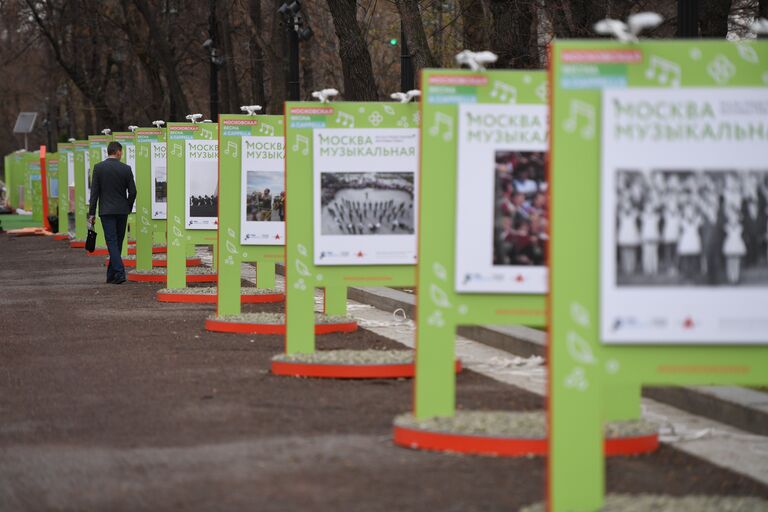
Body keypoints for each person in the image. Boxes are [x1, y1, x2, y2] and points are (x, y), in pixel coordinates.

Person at [88, 141, 136, 284]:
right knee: (118, 242)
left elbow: (94, 193)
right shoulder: (126, 169)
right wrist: (128, 207)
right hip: (122, 211)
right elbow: (133, 192)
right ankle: (115, 274)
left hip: (106, 211)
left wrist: (91, 214)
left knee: (112, 242)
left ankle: (116, 273)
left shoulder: (98, 168)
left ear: (108, 152)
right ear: (118, 152)